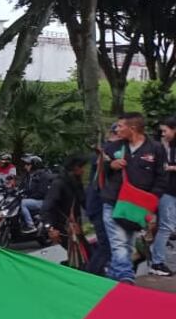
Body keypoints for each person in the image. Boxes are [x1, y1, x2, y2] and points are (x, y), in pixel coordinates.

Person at [99, 113, 167, 283]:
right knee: (119, 242)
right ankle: (126, 278)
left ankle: (113, 279)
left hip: (138, 206)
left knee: (128, 245)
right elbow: (101, 172)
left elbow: (162, 178)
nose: (117, 129)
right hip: (113, 203)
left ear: (133, 128)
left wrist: (152, 202)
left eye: (121, 126)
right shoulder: (113, 148)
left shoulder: (156, 149)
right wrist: (111, 165)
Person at [41, 155, 89, 262]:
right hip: (63, 228)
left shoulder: (76, 183)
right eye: (82, 167)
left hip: (75, 228)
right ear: (75, 168)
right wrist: (50, 228)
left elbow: (85, 203)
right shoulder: (59, 184)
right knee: (83, 258)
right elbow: (47, 207)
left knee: (85, 257)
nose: (84, 171)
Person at [147, 118, 176, 276]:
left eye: (166, 131)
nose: (163, 134)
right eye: (162, 131)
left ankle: (155, 256)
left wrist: (170, 167)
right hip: (167, 191)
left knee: (168, 226)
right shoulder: (163, 145)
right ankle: (157, 262)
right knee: (166, 226)